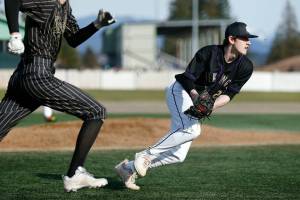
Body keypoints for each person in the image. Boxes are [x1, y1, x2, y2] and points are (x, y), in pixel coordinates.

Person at [115, 21, 258, 190]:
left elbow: (230, 94)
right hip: (181, 91)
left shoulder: (246, 66)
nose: (249, 42)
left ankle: (128, 168)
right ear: (232, 39)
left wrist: (210, 106)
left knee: (178, 155)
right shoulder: (209, 53)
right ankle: (145, 155)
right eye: (245, 38)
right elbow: (187, 78)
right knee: (192, 130)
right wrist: (196, 96)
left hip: (200, 101)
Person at [1, 0, 115, 192]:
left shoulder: (65, 6)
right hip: (37, 73)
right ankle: (74, 175)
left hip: (27, 74)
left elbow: (74, 39)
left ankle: (75, 174)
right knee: (96, 112)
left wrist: (97, 24)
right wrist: (14, 34)